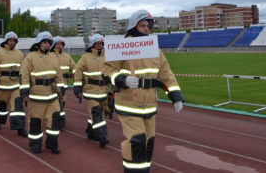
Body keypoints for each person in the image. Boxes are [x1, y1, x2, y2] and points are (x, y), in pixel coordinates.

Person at [102, 9, 185, 172]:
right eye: (142, 25)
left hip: (150, 105)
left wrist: (175, 95)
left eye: (148, 26)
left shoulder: (154, 49)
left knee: (148, 143)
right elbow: (106, 70)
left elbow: (166, 73)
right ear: (133, 27)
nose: (147, 29)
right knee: (137, 141)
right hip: (128, 104)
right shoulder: (120, 47)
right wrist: (122, 79)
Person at [19, 31, 64, 154]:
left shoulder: (54, 57)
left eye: (48, 43)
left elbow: (59, 76)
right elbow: (24, 75)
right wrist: (24, 92)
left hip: (52, 97)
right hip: (36, 96)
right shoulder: (30, 57)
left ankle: (52, 143)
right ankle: (35, 144)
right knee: (35, 122)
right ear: (38, 44)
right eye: (44, 42)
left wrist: (62, 91)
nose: (46, 45)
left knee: (54, 122)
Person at [73, 34, 109, 148]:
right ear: (92, 45)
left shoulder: (107, 57)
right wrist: (77, 90)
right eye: (97, 43)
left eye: (101, 43)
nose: (99, 45)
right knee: (96, 113)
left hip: (103, 91)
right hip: (90, 91)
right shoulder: (85, 58)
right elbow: (78, 74)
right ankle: (102, 136)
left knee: (94, 115)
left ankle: (91, 132)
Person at [0, 31, 27, 136]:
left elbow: (23, 69)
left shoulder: (19, 53)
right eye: (10, 40)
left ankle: (20, 128)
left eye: (13, 40)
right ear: (6, 41)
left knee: (18, 108)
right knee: (1, 106)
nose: (12, 42)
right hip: (2, 85)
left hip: (16, 85)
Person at [50, 36, 76, 128]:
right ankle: (59, 120)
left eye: (61, 44)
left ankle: (57, 117)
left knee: (62, 101)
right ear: (53, 45)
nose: (59, 46)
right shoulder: (50, 56)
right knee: (56, 102)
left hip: (64, 84)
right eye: (57, 44)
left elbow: (73, 66)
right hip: (53, 84)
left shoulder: (67, 56)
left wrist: (76, 72)